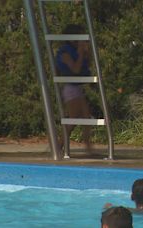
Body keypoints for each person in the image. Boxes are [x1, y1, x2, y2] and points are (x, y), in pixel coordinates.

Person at [55, 24, 92, 153]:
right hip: (70, 89)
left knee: (86, 118)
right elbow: (75, 69)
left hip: (77, 88)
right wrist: (81, 53)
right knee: (73, 119)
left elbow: (86, 67)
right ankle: (59, 145)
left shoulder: (75, 51)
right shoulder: (65, 53)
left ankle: (88, 147)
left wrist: (86, 53)